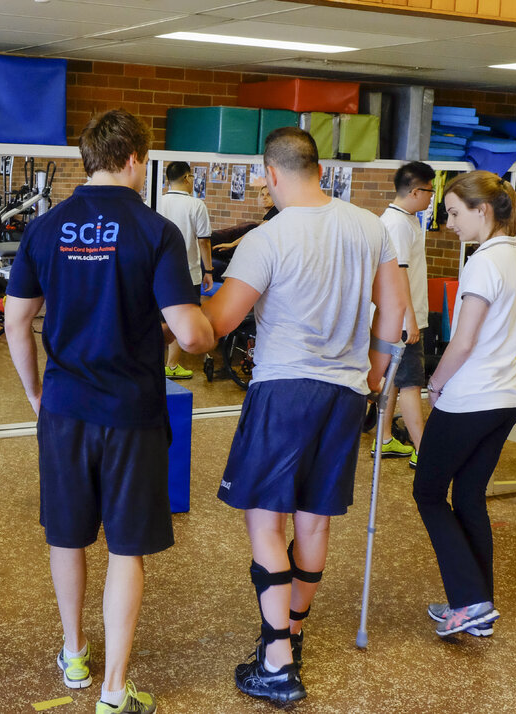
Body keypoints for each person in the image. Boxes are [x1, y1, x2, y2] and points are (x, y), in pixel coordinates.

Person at [4, 109, 214, 714]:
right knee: (126, 548)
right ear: (134, 161)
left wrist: (37, 394)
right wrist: (205, 329)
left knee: (67, 537)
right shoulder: (156, 232)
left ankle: (74, 655)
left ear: (87, 159)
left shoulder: (46, 229)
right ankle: (114, 693)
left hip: (66, 409)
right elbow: (190, 334)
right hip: (131, 411)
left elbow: (17, 321)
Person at [202, 127, 405, 704]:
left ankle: (276, 661)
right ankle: (291, 633)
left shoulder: (268, 238)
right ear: (319, 168)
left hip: (285, 389)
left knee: (267, 522)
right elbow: (394, 311)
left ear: (270, 174)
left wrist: (189, 301)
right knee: (313, 521)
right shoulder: (370, 226)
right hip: (344, 393)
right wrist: (373, 370)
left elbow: (218, 324)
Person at [413, 171, 516, 637]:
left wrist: (434, 384)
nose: (449, 224)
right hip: (505, 397)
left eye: (454, 213)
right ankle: (476, 606)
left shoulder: (484, 262)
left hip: (471, 398)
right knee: (466, 496)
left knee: (427, 492)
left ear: (482, 211)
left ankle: (469, 600)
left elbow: (462, 342)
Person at [374, 161, 436, 466]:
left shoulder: (405, 219)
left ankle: (384, 439)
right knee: (412, 384)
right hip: (403, 319)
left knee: (394, 379)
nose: (431, 198)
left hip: (399, 317)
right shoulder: (397, 224)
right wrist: (410, 319)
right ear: (415, 191)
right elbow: (398, 275)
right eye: (430, 192)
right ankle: (424, 452)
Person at [156, 160, 213, 380]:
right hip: (188, 274)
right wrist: (208, 271)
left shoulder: (155, 201)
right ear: (188, 178)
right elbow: (204, 242)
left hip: (157, 273)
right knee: (180, 321)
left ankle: (152, 364)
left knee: (159, 319)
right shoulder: (196, 205)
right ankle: (171, 366)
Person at [210, 183, 277, 281]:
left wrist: (232, 244)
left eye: (269, 195)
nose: (264, 198)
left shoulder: (275, 212)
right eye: (262, 195)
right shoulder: (270, 214)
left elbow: (255, 233)